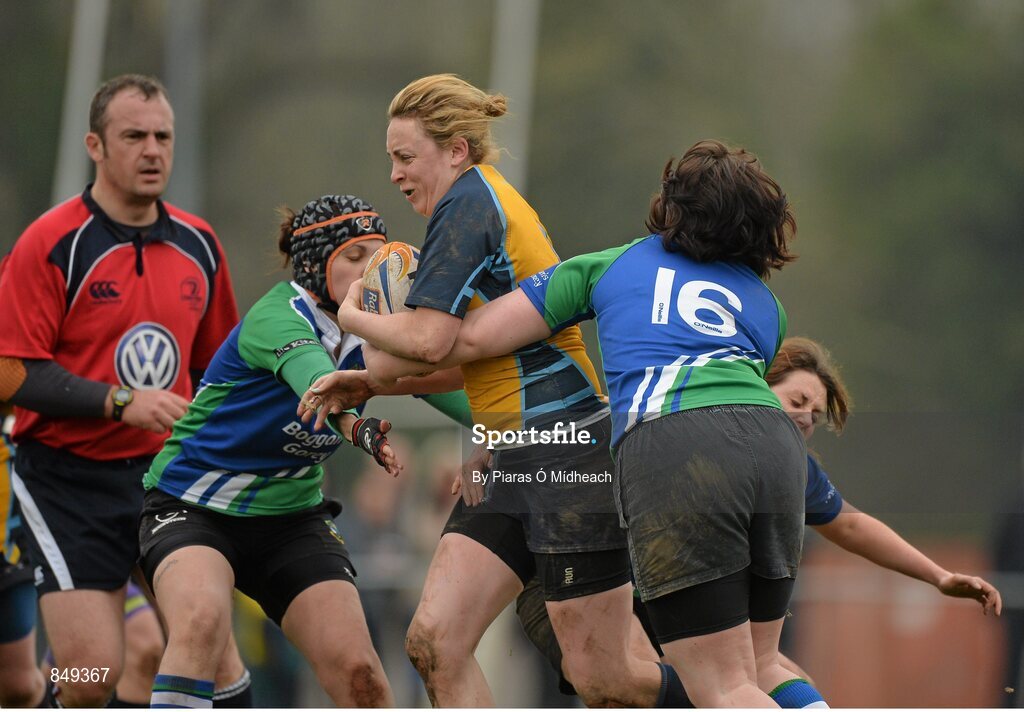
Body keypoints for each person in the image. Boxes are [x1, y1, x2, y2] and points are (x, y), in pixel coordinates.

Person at [322, 138, 820, 707]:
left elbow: (461, 339)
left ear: (671, 211)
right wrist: (397, 390)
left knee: (684, 684)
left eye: (405, 157)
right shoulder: (766, 307)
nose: (397, 174)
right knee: (759, 667)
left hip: (623, 449)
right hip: (754, 450)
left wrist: (357, 326)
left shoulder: (614, 262)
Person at [309, 73, 682, 708]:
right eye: (391, 159)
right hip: (513, 456)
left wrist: (351, 316)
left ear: (456, 150)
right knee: (434, 642)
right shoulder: (473, 205)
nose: (396, 175)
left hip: (568, 451)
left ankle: (724, 696)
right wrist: (371, 380)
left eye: (406, 157)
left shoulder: (471, 204)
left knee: (606, 678)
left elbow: (426, 341)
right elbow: (469, 356)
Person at [515, 336, 1002, 704]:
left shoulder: (788, 468)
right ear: (754, 386)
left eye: (816, 413)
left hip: (670, 603)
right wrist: (490, 450)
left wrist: (938, 576)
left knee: (773, 678)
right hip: (588, 582)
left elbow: (851, 525)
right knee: (652, 684)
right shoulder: (670, 425)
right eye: (797, 402)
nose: (808, 418)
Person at [138, 193, 467, 708]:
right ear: (316, 264)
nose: (372, 270)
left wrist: (532, 426)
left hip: (291, 519)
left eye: (379, 254)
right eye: (354, 257)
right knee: (201, 625)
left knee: (362, 677)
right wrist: (359, 430)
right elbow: (320, 385)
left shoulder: (375, 330)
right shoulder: (279, 315)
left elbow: (465, 397)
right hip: (193, 505)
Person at [0, 74, 250, 707]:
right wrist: (117, 400)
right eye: (133, 135)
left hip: (168, 480)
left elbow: (223, 371)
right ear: (95, 145)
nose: (152, 150)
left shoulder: (200, 245)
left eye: (163, 136)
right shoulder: (51, 243)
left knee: (216, 657)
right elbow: (9, 372)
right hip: (66, 483)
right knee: (90, 676)